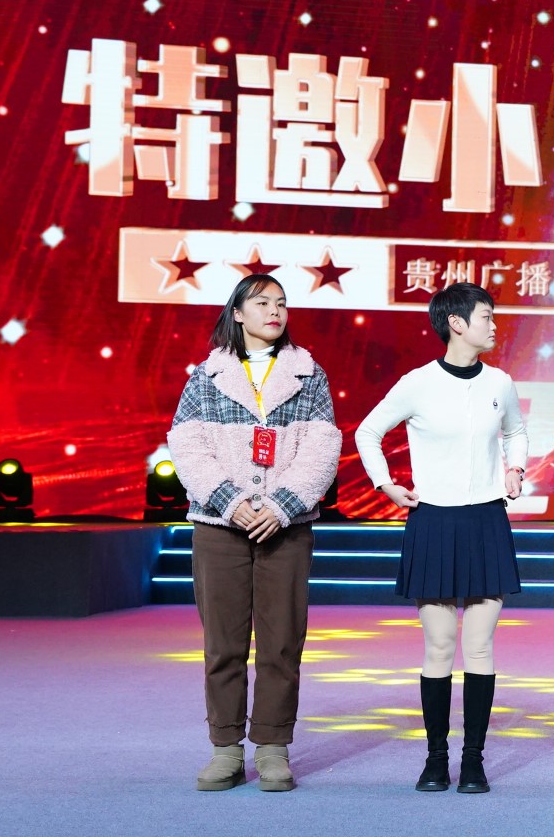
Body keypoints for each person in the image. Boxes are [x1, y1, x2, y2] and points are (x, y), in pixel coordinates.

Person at [167, 274, 342, 792]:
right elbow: (187, 446)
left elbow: (322, 449)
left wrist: (282, 506)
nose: (275, 311)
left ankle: (272, 747)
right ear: (237, 313)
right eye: (262, 302)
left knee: (281, 643)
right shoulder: (207, 376)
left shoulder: (309, 374)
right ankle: (225, 748)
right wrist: (230, 502)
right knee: (223, 643)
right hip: (220, 526)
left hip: (285, 528)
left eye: (282, 303)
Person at [355, 283, 527, 795]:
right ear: (456, 322)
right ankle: (435, 760)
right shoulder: (417, 383)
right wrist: (385, 484)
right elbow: (368, 432)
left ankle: (473, 761)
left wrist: (516, 467)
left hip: (486, 521)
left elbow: (515, 431)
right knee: (439, 646)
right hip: (433, 521)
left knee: (480, 647)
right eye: (486, 316)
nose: (494, 325)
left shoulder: (500, 382)